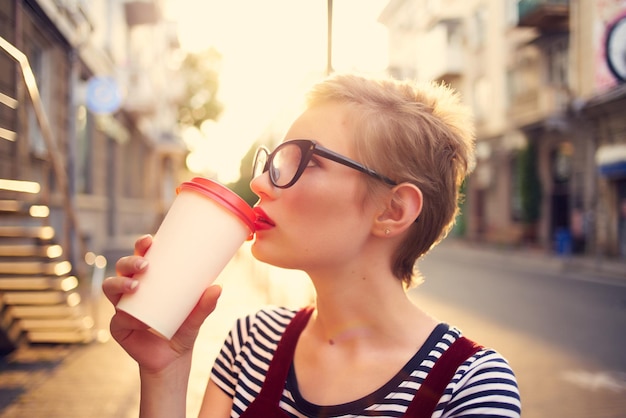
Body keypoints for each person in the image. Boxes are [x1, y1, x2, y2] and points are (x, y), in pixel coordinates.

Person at [103, 73, 522, 417]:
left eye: (304, 160)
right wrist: (165, 371)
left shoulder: (469, 385)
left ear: (393, 210)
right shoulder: (252, 342)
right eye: (273, 162)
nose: (259, 183)